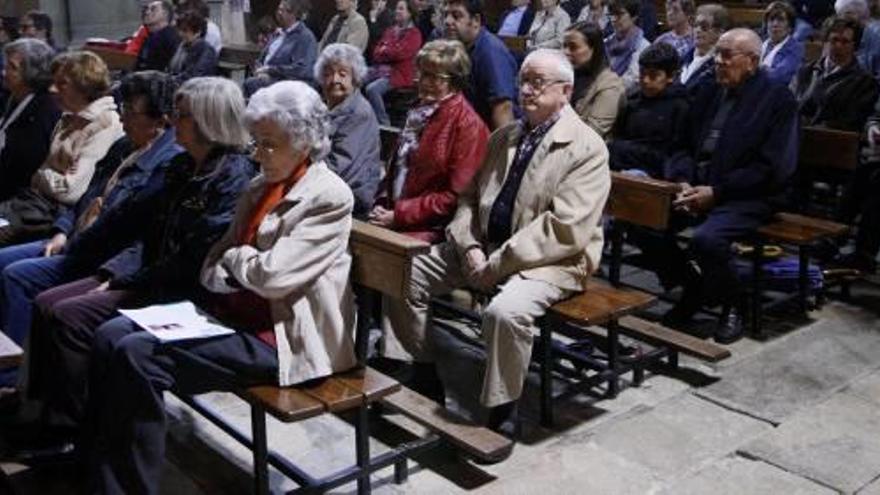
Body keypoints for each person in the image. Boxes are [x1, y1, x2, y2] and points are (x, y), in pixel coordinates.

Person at [80, 80, 356, 493]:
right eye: (257, 143)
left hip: (282, 337)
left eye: (269, 145)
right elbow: (214, 263)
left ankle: (126, 487)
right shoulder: (259, 185)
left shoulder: (329, 196)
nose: (258, 155)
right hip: (228, 313)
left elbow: (273, 277)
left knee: (137, 355)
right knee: (109, 334)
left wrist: (237, 262)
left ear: (303, 143)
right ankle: (97, 473)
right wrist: (238, 264)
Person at [13, 77, 254, 458]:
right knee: (47, 301)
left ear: (209, 121)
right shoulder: (182, 165)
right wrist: (81, 252)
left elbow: (191, 259)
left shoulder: (232, 177)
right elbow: (129, 218)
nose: (174, 121)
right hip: (151, 275)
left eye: (183, 115)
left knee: (69, 315)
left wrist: (122, 281)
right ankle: (43, 415)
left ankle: (71, 431)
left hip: (185, 291)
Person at [385, 48, 610, 435]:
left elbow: (564, 228)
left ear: (566, 91)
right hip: (483, 248)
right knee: (402, 272)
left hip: (552, 262)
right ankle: (424, 371)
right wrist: (469, 245)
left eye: (537, 83)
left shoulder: (586, 148)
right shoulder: (505, 136)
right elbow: (469, 199)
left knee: (504, 313)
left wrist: (496, 263)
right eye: (523, 80)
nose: (525, 90)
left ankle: (503, 403)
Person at [0, 71, 182, 393]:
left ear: (160, 121)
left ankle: (13, 380)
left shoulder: (168, 162)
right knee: (5, 261)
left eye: (131, 112)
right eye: (123, 108)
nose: (122, 118)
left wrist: (109, 269)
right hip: (76, 238)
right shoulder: (124, 146)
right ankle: (18, 367)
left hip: (102, 254)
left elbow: (137, 233)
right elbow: (85, 195)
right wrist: (62, 230)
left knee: (19, 277)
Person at [657, 29, 798, 343]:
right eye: (717, 54)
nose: (717, 62)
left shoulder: (777, 98)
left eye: (726, 55)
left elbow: (772, 168)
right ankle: (695, 285)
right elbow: (679, 144)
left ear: (752, 61)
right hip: (697, 186)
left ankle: (733, 303)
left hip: (751, 195)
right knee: (644, 221)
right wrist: (681, 180)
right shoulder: (709, 90)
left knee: (707, 240)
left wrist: (717, 193)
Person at [369, 39, 489, 242]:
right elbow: (398, 169)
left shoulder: (468, 125)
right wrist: (381, 203)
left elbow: (455, 198)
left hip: (435, 231)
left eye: (434, 77)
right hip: (396, 218)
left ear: (454, 80)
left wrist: (400, 215)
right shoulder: (419, 110)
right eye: (422, 73)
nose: (424, 82)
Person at [0, 51, 123, 247]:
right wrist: (50, 175)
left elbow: (71, 192)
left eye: (62, 83)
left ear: (85, 86)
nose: (53, 89)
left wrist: (43, 175)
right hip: (33, 203)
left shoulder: (105, 124)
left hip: (57, 215)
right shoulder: (67, 118)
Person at [315, 43, 383, 216]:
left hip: (352, 197)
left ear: (355, 78)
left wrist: (300, 174)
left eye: (342, 74)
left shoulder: (359, 112)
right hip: (327, 187)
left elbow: (339, 166)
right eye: (328, 73)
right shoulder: (324, 107)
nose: (335, 79)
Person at [609, 41, 688, 176]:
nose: (645, 80)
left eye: (653, 76)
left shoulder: (681, 106)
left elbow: (674, 153)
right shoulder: (633, 100)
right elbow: (618, 136)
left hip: (655, 172)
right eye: (642, 74)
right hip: (621, 163)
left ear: (671, 76)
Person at [792, 16, 879, 132]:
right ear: (825, 41)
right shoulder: (805, 72)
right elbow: (790, 105)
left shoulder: (865, 82)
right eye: (834, 40)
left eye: (845, 42)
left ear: (855, 46)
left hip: (832, 142)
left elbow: (850, 122)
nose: (838, 46)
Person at [0, 39, 61, 202]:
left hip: (21, 196)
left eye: (12, 67)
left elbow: (26, 163)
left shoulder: (45, 108)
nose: (4, 72)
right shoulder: (13, 99)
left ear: (32, 72)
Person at [444, 0, 519, 130]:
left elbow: (503, 108)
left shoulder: (490, 52)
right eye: (446, 15)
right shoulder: (461, 47)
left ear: (476, 21)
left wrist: (503, 150)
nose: (448, 21)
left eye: (456, 16)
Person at [563, 20, 626, 139]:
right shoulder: (568, 76)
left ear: (593, 49)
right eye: (564, 46)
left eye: (573, 47)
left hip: (591, 151)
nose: (565, 52)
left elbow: (592, 133)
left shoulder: (610, 86)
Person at [364, 0, 423, 125]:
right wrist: (388, 51)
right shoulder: (390, 31)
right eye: (397, 8)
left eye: (401, 9)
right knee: (356, 77)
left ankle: (384, 124)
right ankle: (364, 117)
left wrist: (386, 50)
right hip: (380, 70)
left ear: (410, 13)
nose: (397, 11)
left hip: (399, 74)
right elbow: (376, 52)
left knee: (372, 90)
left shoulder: (415, 34)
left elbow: (400, 54)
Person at [244, 0, 317, 96]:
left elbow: (303, 70)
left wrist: (270, 70)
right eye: (278, 9)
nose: (279, 13)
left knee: (251, 84)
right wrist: (259, 68)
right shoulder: (279, 34)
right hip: (265, 77)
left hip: (287, 85)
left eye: (283, 10)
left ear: (293, 14)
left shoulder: (305, 37)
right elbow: (263, 58)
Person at [679, 3, 729, 97]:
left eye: (704, 26)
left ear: (719, 32)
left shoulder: (719, 66)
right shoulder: (683, 58)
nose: (697, 30)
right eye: (695, 25)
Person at [605, 0, 651, 96]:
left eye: (619, 14)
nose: (614, 19)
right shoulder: (606, 42)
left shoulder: (643, 47)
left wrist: (604, 90)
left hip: (625, 98)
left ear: (634, 17)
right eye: (611, 15)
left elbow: (632, 81)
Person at [167, 9, 218, 84]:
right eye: (179, 30)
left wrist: (172, 80)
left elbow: (197, 76)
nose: (180, 34)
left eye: (185, 31)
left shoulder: (206, 50)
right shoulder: (182, 46)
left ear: (198, 32)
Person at [760, 1, 804, 86]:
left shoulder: (795, 48)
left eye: (781, 20)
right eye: (771, 19)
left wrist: (755, 70)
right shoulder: (759, 42)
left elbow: (779, 76)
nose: (775, 24)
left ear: (790, 26)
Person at [835, 0, 880, 78]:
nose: (842, 20)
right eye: (839, 15)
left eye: (847, 15)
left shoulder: (876, 34)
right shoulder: (836, 33)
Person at [135, 1, 181, 71]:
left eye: (153, 9)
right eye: (147, 9)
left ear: (165, 14)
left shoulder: (170, 38)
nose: (147, 13)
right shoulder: (149, 38)